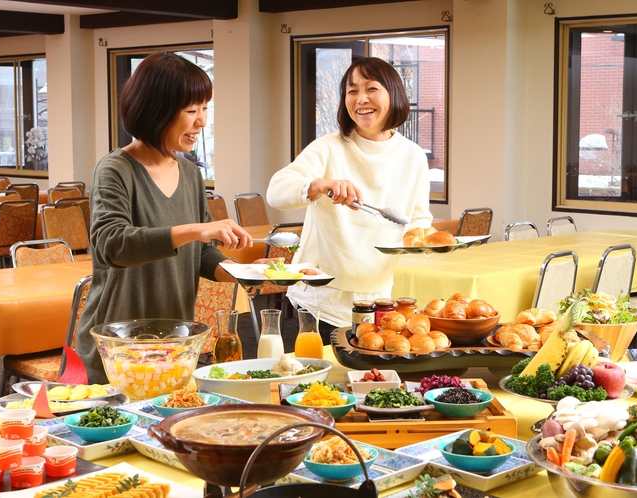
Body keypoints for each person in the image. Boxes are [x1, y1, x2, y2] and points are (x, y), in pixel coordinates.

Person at [76, 52, 254, 383]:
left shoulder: (189, 174)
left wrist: (245, 273)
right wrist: (197, 229)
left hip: (174, 343)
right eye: (191, 111)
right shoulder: (116, 169)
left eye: (204, 109)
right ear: (157, 111)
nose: (201, 121)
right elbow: (111, 245)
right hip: (118, 348)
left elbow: (199, 253)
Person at [267, 57, 433, 341]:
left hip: (379, 299)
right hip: (322, 299)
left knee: (368, 381)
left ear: (394, 94)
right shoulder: (329, 147)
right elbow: (276, 191)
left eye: (371, 89)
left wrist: (424, 242)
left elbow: (417, 220)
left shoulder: (413, 155)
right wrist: (320, 184)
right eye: (352, 90)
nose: (360, 99)